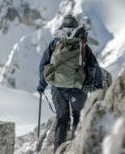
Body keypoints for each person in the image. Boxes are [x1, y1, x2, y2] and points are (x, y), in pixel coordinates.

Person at [37, 15, 102, 152]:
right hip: (77, 88)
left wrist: (42, 85)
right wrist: (99, 88)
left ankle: (58, 151)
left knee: (62, 119)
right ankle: (77, 149)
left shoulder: (56, 42)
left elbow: (44, 63)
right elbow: (94, 65)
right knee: (79, 117)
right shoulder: (81, 43)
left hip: (57, 88)